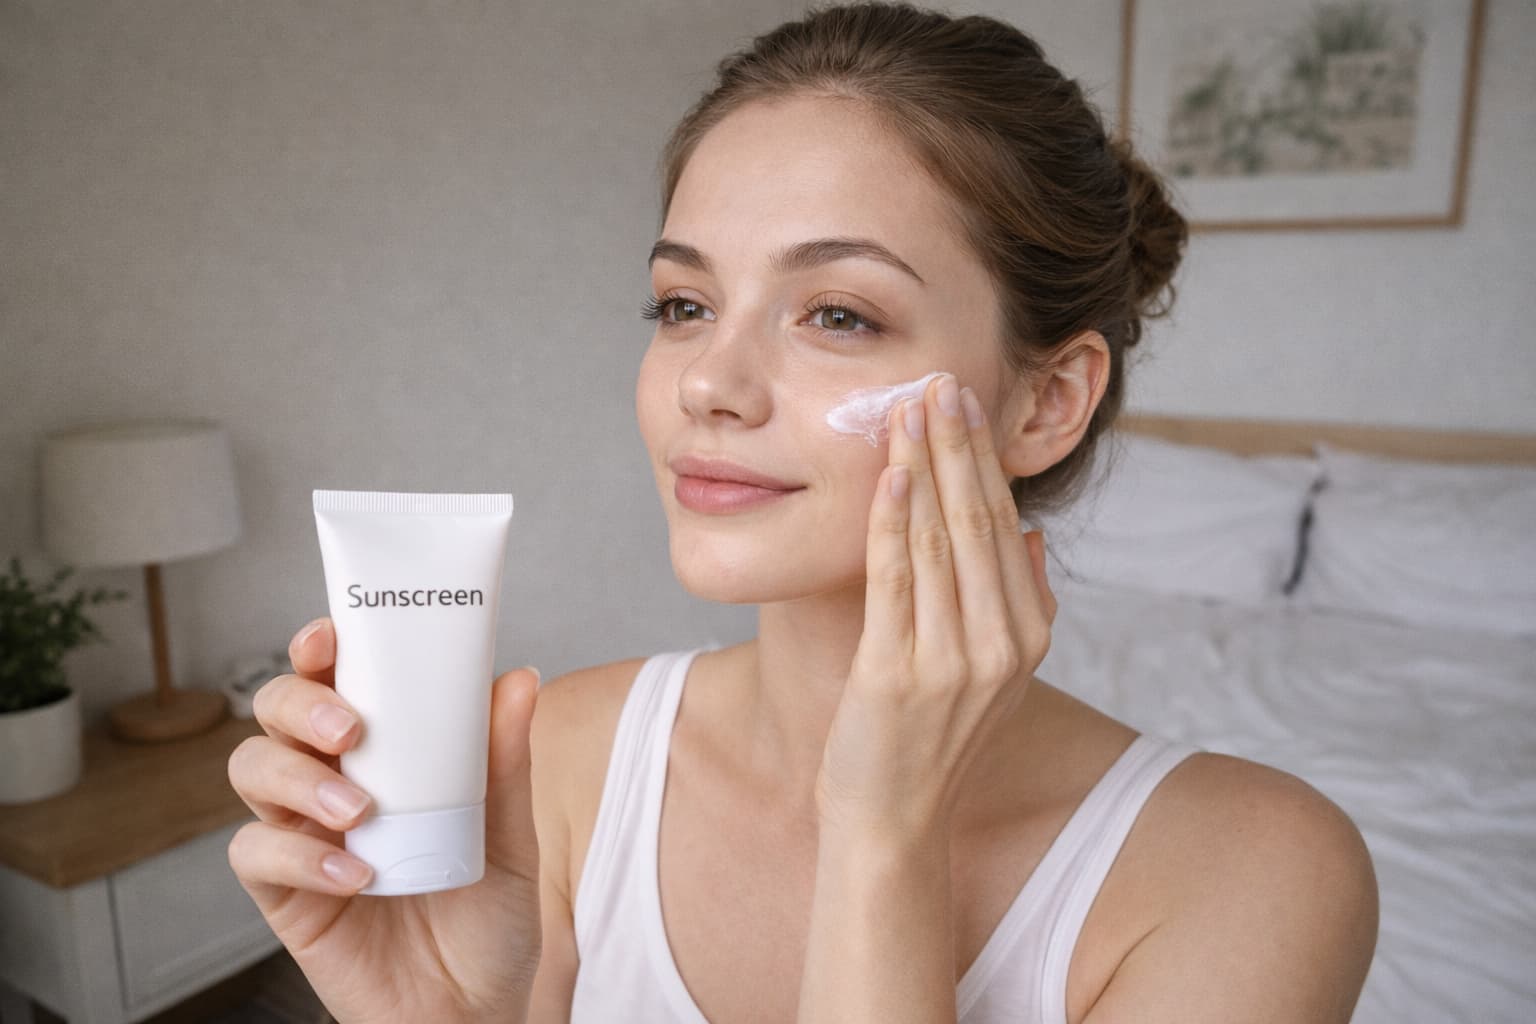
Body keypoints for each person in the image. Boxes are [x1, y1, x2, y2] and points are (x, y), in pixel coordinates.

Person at [227, 3, 1379, 1021]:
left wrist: (882, 832)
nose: (706, 383)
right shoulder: (561, 757)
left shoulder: (1252, 874)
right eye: (684, 301)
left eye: (836, 314)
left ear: (1046, 400)